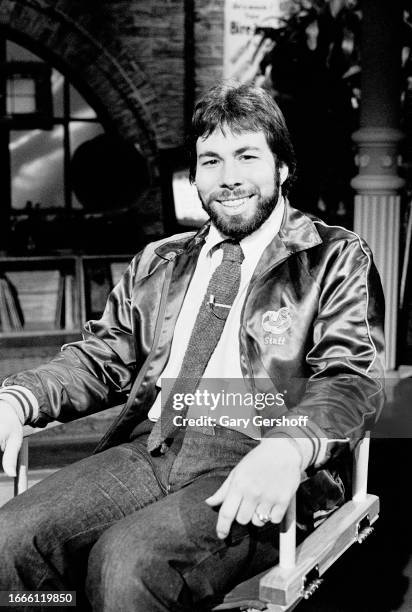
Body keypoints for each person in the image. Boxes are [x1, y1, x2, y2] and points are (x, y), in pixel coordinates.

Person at [0, 83, 384, 612]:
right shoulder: (160, 262)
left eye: (246, 156)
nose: (227, 177)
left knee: (124, 565)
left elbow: (350, 378)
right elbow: (101, 358)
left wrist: (293, 445)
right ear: (195, 175)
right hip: (153, 445)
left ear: (282, 168)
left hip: (258, 457)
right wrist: (18, 399)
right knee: (8, 540)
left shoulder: (333, 257)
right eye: (210, 160)